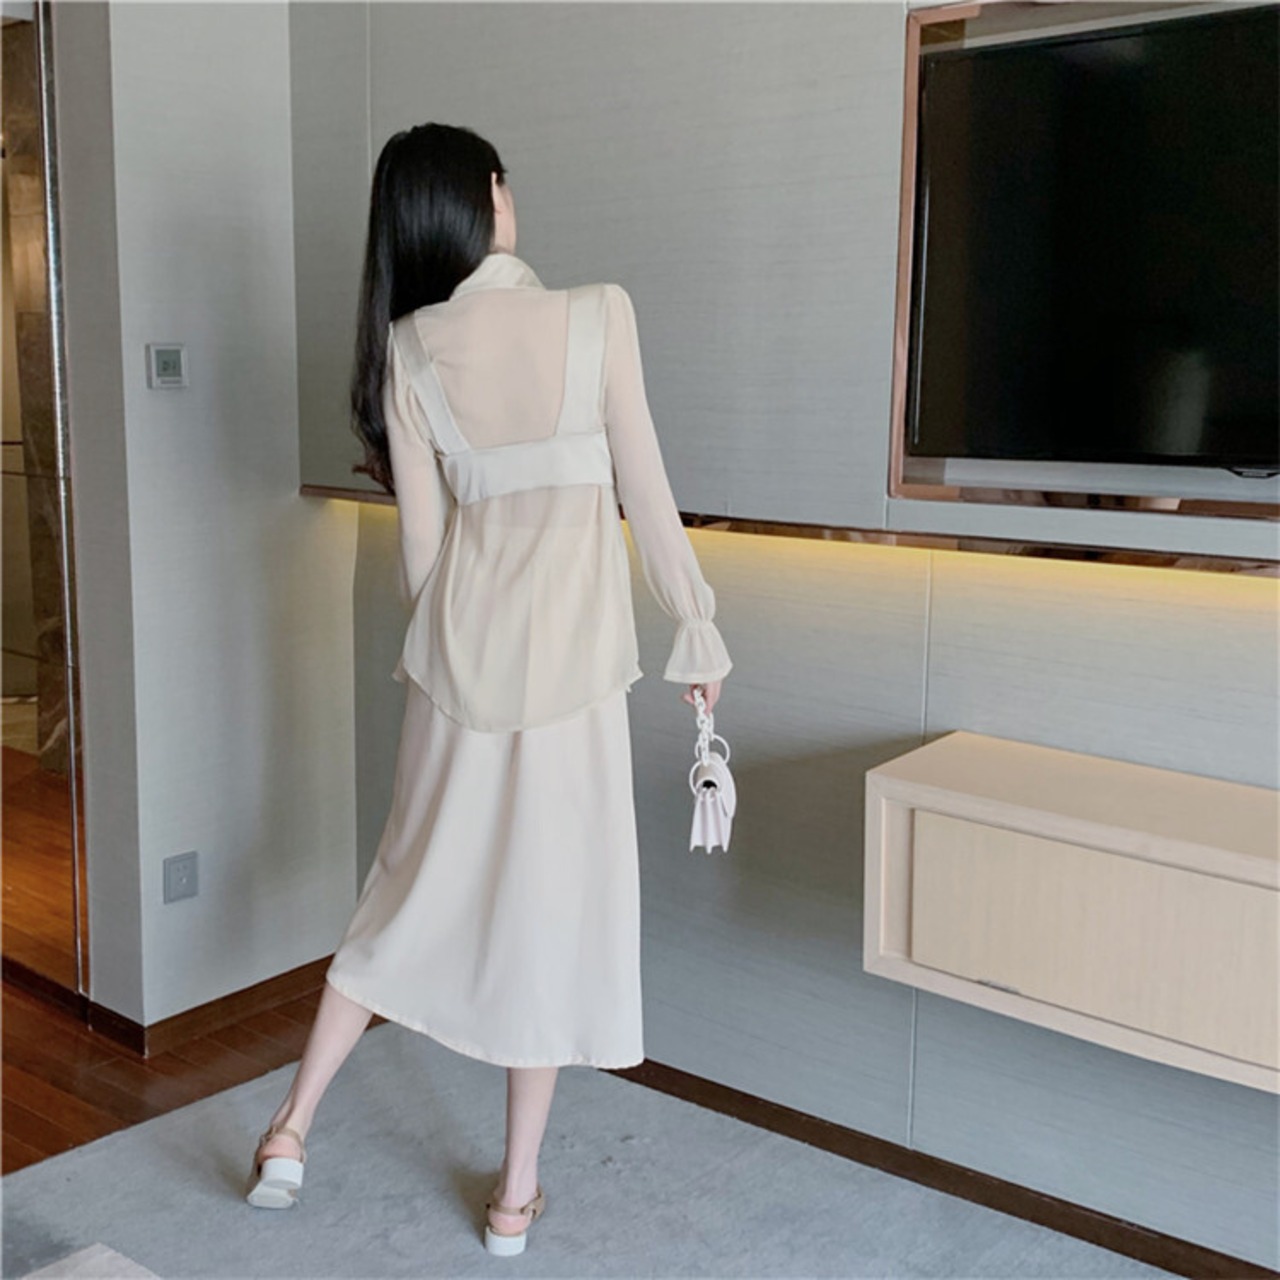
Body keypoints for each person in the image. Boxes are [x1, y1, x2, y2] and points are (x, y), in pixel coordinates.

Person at [243, 123, 732, 1256]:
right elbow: (649, 500)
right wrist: (696, 631)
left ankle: (290, 1129)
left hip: (455, 675)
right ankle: (513, 1199)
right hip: (572, 683)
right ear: (487, 200)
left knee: (399, 894)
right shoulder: (598, 315)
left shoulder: (409, 349)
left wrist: (461, 647)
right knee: (544, 921)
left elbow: (422, 561)